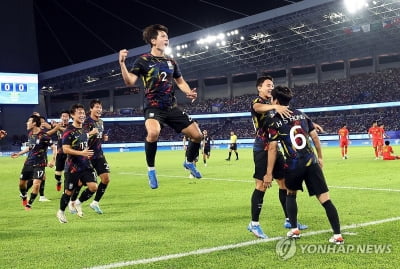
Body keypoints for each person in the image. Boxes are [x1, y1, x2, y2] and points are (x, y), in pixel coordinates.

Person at [119, 24, 203, 189]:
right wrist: (122, 63)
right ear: (153, 40)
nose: (166, 38)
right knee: (153, 132)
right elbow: (130, 81)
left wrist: (188, 92)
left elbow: (180, 81)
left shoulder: (171, 62)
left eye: (166, 36)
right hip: (153, 107)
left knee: (198, 135)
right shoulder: (142, 60)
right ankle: (151, 170)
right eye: (163, 36)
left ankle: (189, 162)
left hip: (171, 107)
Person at [265, 86, 343, 244]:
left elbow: (273, 148)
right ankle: (337, 235)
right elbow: (315, 137)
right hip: (311, 161)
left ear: (276, 101)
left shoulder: (273, 121)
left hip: (293, 165)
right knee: (325, 199)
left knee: (290, 195)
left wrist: (268, 172)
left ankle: (294, 230)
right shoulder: (301, 114)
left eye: (272, 99)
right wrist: (320, 157)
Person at [247, 76, 306, 239]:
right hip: (261, 148)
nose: (270, 87)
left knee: (284, 183)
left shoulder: (274, 104)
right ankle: (254, 224)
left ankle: (289, 219)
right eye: (267, 85)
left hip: (275, 147)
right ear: (259, 88)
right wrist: (275, 106)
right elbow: (258, 108)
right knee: (261, 185)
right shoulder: (258, 102)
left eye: (272, 85)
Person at [56, 104, 97, 223]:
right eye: (79, 113)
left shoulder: (84, 129)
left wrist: (92, 134)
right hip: (72, 167)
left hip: (86, 165)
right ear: (73, 115)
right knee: (68, 192)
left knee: (93, 187)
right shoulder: (68, 131)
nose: (82, 115)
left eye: (83, 113)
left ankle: (77, 202)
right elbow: (65, 149)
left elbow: (83, 139)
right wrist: (81, 153)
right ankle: (61, 212)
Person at [11, 115, 54, 210]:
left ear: (34, 123)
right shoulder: (31, 134)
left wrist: (53, 160)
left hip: (40, 164)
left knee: (36, 184)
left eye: (28, 121)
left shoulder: (44, 136)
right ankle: (24, 195)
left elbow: (54, 147)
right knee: (22, 184)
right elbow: (31, 147)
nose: (27, 123)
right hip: (29, 163)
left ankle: (29, 205)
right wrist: (19, 153)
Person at [82, 99, 111, 214]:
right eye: (97, 107)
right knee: (80, 183)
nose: (99, 109)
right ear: (91, 109)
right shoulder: (86, 122)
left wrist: (103, 137)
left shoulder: (101, 122)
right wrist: (90, 134)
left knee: (106, 179)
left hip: (99, 154)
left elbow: (99, 135)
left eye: (100, 107)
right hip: (87, 155)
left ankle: (95, 203)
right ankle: (73, 201)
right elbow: (80, 138)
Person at [53, 110, 70, 191]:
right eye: (63, 116)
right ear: (60, 117)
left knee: (67, 173)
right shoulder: (58, 125)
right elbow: (50, 128)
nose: (65, 118)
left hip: (68, 152)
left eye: (66, 116)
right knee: (57, 174)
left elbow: (66, 131)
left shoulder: (71, 126)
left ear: (69, 118)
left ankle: (65, 191)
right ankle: (59, 181)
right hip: (59, 153)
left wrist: (57, 127)